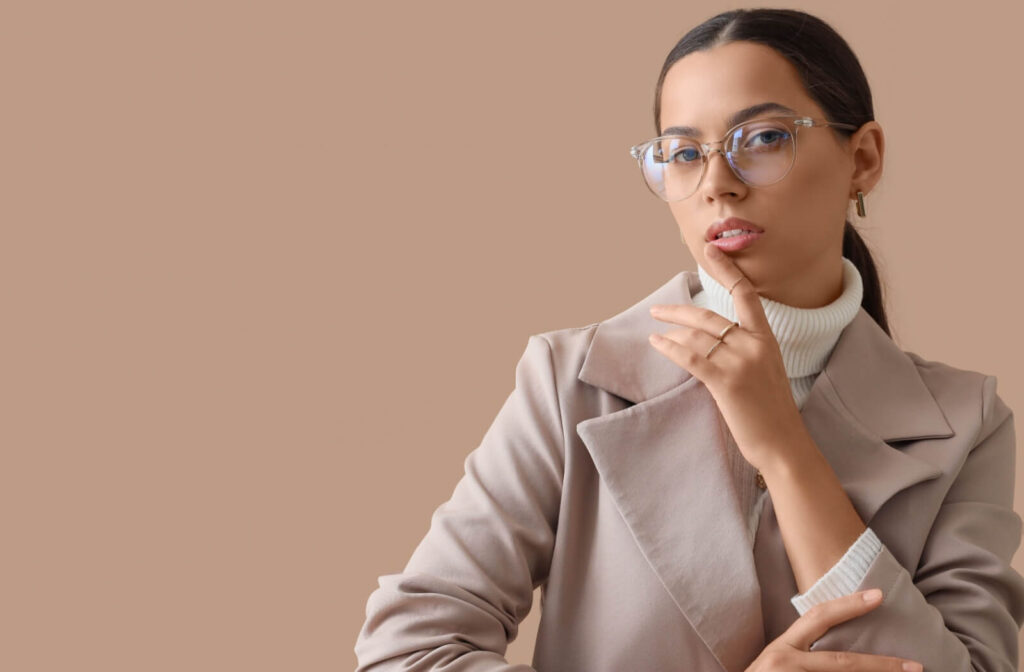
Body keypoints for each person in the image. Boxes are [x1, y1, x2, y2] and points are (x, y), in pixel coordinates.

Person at [354, 8, 1024, 672]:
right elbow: (406, 653)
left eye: (762, 138)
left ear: (865, 159)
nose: (717, 183)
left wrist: (785, 451)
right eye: (682, 153)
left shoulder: (967, 422)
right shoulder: (573, 381)